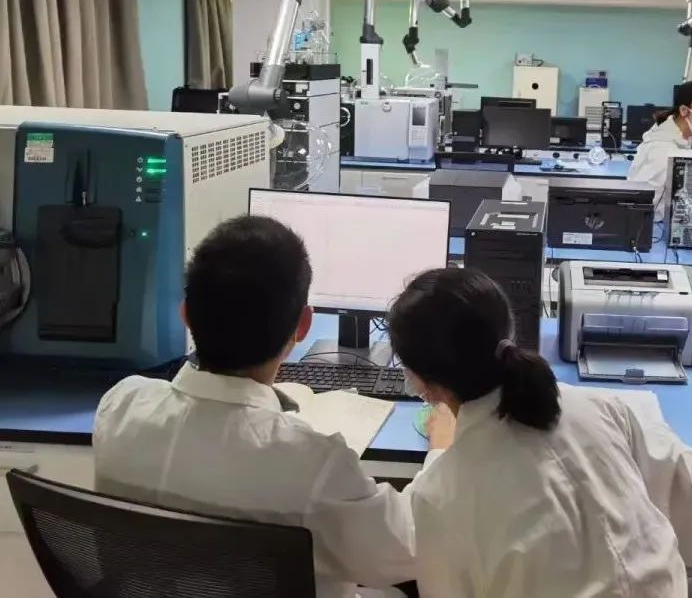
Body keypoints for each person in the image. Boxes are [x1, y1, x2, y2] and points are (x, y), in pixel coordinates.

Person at [94, 215, 443, 598]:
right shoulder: (312, 462)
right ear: (303, 326)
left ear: (186, 314)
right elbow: (414, 548)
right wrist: (442, 450)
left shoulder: (120, 408)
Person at [387, 266, 692, 598]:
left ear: (423, 384)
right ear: (508, 330)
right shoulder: (600, 406)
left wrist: (439, 454)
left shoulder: (440, 493)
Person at [627, 81, 692, 220]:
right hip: (654, 225)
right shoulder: (663, 148)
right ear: (684, 110)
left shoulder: (685, 139)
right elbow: (643, 204)